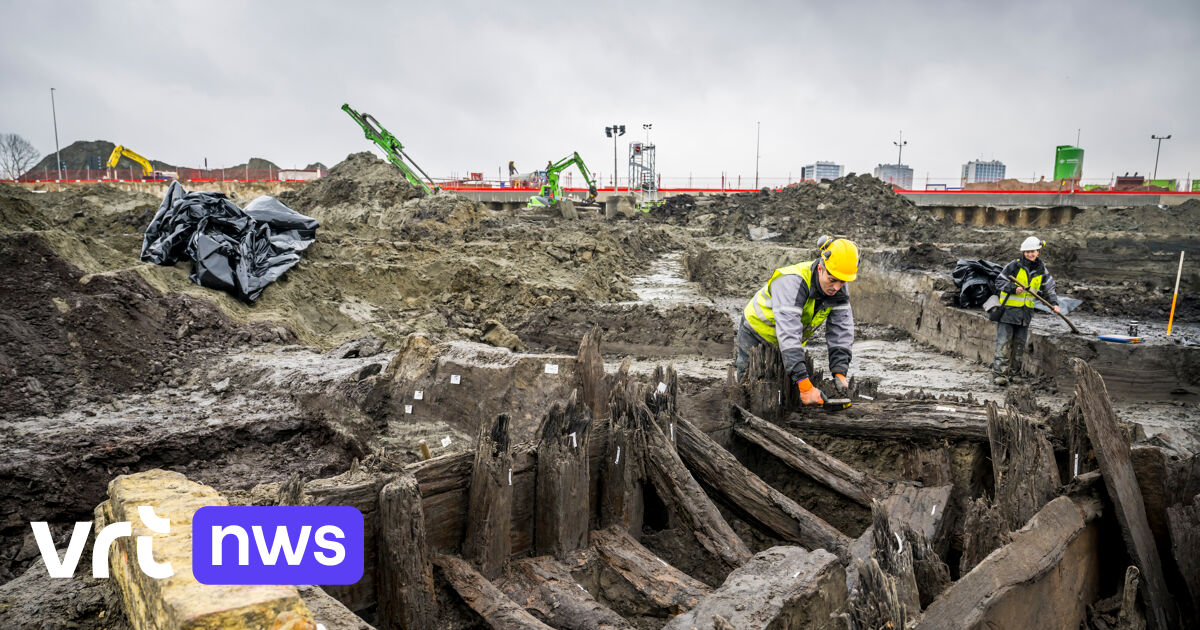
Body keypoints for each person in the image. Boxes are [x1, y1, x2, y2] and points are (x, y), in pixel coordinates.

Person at [735, 236, 858, 405]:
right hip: (755, 332)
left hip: (786, 340)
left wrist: (840, 372)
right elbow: (789, 332)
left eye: (842, 282)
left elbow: (841, 329)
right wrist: (805, 387)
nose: (836, 287)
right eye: (832, 280)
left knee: (782, 389)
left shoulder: (838, 288)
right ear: (820, 268)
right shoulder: (792, 282)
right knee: (750, 385)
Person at [991, 236, 1061, 386]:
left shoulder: (1041, 270)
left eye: (1033, 251)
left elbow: (1049, 289)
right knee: (1003, 343)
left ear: (1038, 252)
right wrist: (1013, 288)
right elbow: (999, 282)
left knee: (1019, 346)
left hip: (1025, 314)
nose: (1030, 254)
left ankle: (1014, 374)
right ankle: (1000, 375)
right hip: (1008, 312)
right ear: (1023, 252)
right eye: (1027, 252)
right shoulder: (1014, 266)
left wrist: (1054, 304)